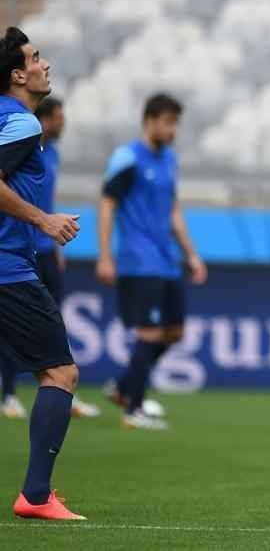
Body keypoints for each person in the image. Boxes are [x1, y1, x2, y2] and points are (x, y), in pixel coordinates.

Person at [0, 27, 86, 520]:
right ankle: (35, 496)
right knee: (59, 372)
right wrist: (43, 219)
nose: (45, 64)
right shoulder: (23, 125)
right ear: (18, 74)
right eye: (36, 57)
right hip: (6, 269)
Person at [97, 93, 208, 431]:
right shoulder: (127, 157)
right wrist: (104, 255)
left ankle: (124, 386)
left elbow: (173, 210)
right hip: (138, 259)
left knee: (174, 332)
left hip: (167, 259)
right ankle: (134, 409)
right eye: (168, 122)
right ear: (149, 120)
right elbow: (106, 205)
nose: (173, 130)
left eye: (176, 123)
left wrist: (191, 253)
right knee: (149, 332)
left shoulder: (169, 160)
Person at [2, 98, 98, 420]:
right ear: (44, 120)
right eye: (59, 118)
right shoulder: (19, 142)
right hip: (18, 249)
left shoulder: (50, 153)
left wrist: (55, 245)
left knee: (51, 324)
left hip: (43, 247)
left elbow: (45, 199)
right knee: (17, 328)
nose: (63, 124)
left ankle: (58, 389)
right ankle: (9, 394)